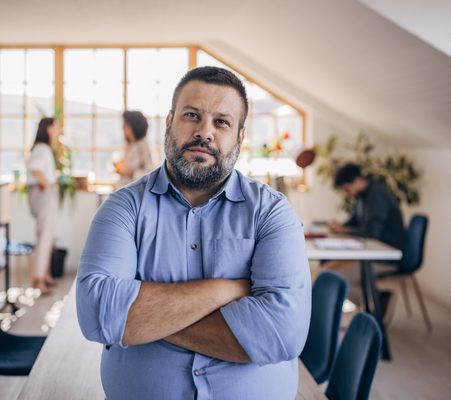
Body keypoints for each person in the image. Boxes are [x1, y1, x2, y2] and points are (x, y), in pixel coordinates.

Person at [76, 67, 311, 400]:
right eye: (192, 115)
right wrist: (225, 291)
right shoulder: (122, 208)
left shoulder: (272, 213)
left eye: (221, 122)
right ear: (170, 121)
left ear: (240, 137)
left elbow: (281, 335)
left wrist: (144, 319)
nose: (205, 132)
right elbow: (97, 314)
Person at [328, 163, 405, 250]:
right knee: (330, 258)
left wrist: (345, 230)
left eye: (347, 189)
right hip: (370, 248)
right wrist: (340, 227)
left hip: (386, 251)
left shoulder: (377, 194)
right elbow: (354, 221)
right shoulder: (360, 196)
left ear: (357, 180)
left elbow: (372, 232)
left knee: (332, 260)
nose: (345, 194)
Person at [27, 117, 59, 295]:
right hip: (42, 194)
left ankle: (44, 274)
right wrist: (47, 184)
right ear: (48, 128)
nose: (58, 131)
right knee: (44, 235)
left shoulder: (42, 148)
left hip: (43, 193)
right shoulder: (42, 148)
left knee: (48, 235)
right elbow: (34, 168)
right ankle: (39, 279)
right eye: (56, 127)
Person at [114, 110, 153, 188]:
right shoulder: (129, 145)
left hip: (136, 191)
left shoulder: (143, 146)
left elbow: (149, 171)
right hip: (123, 189)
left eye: (125, 124)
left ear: (133, 125)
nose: (123, 127)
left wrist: (128, 173)